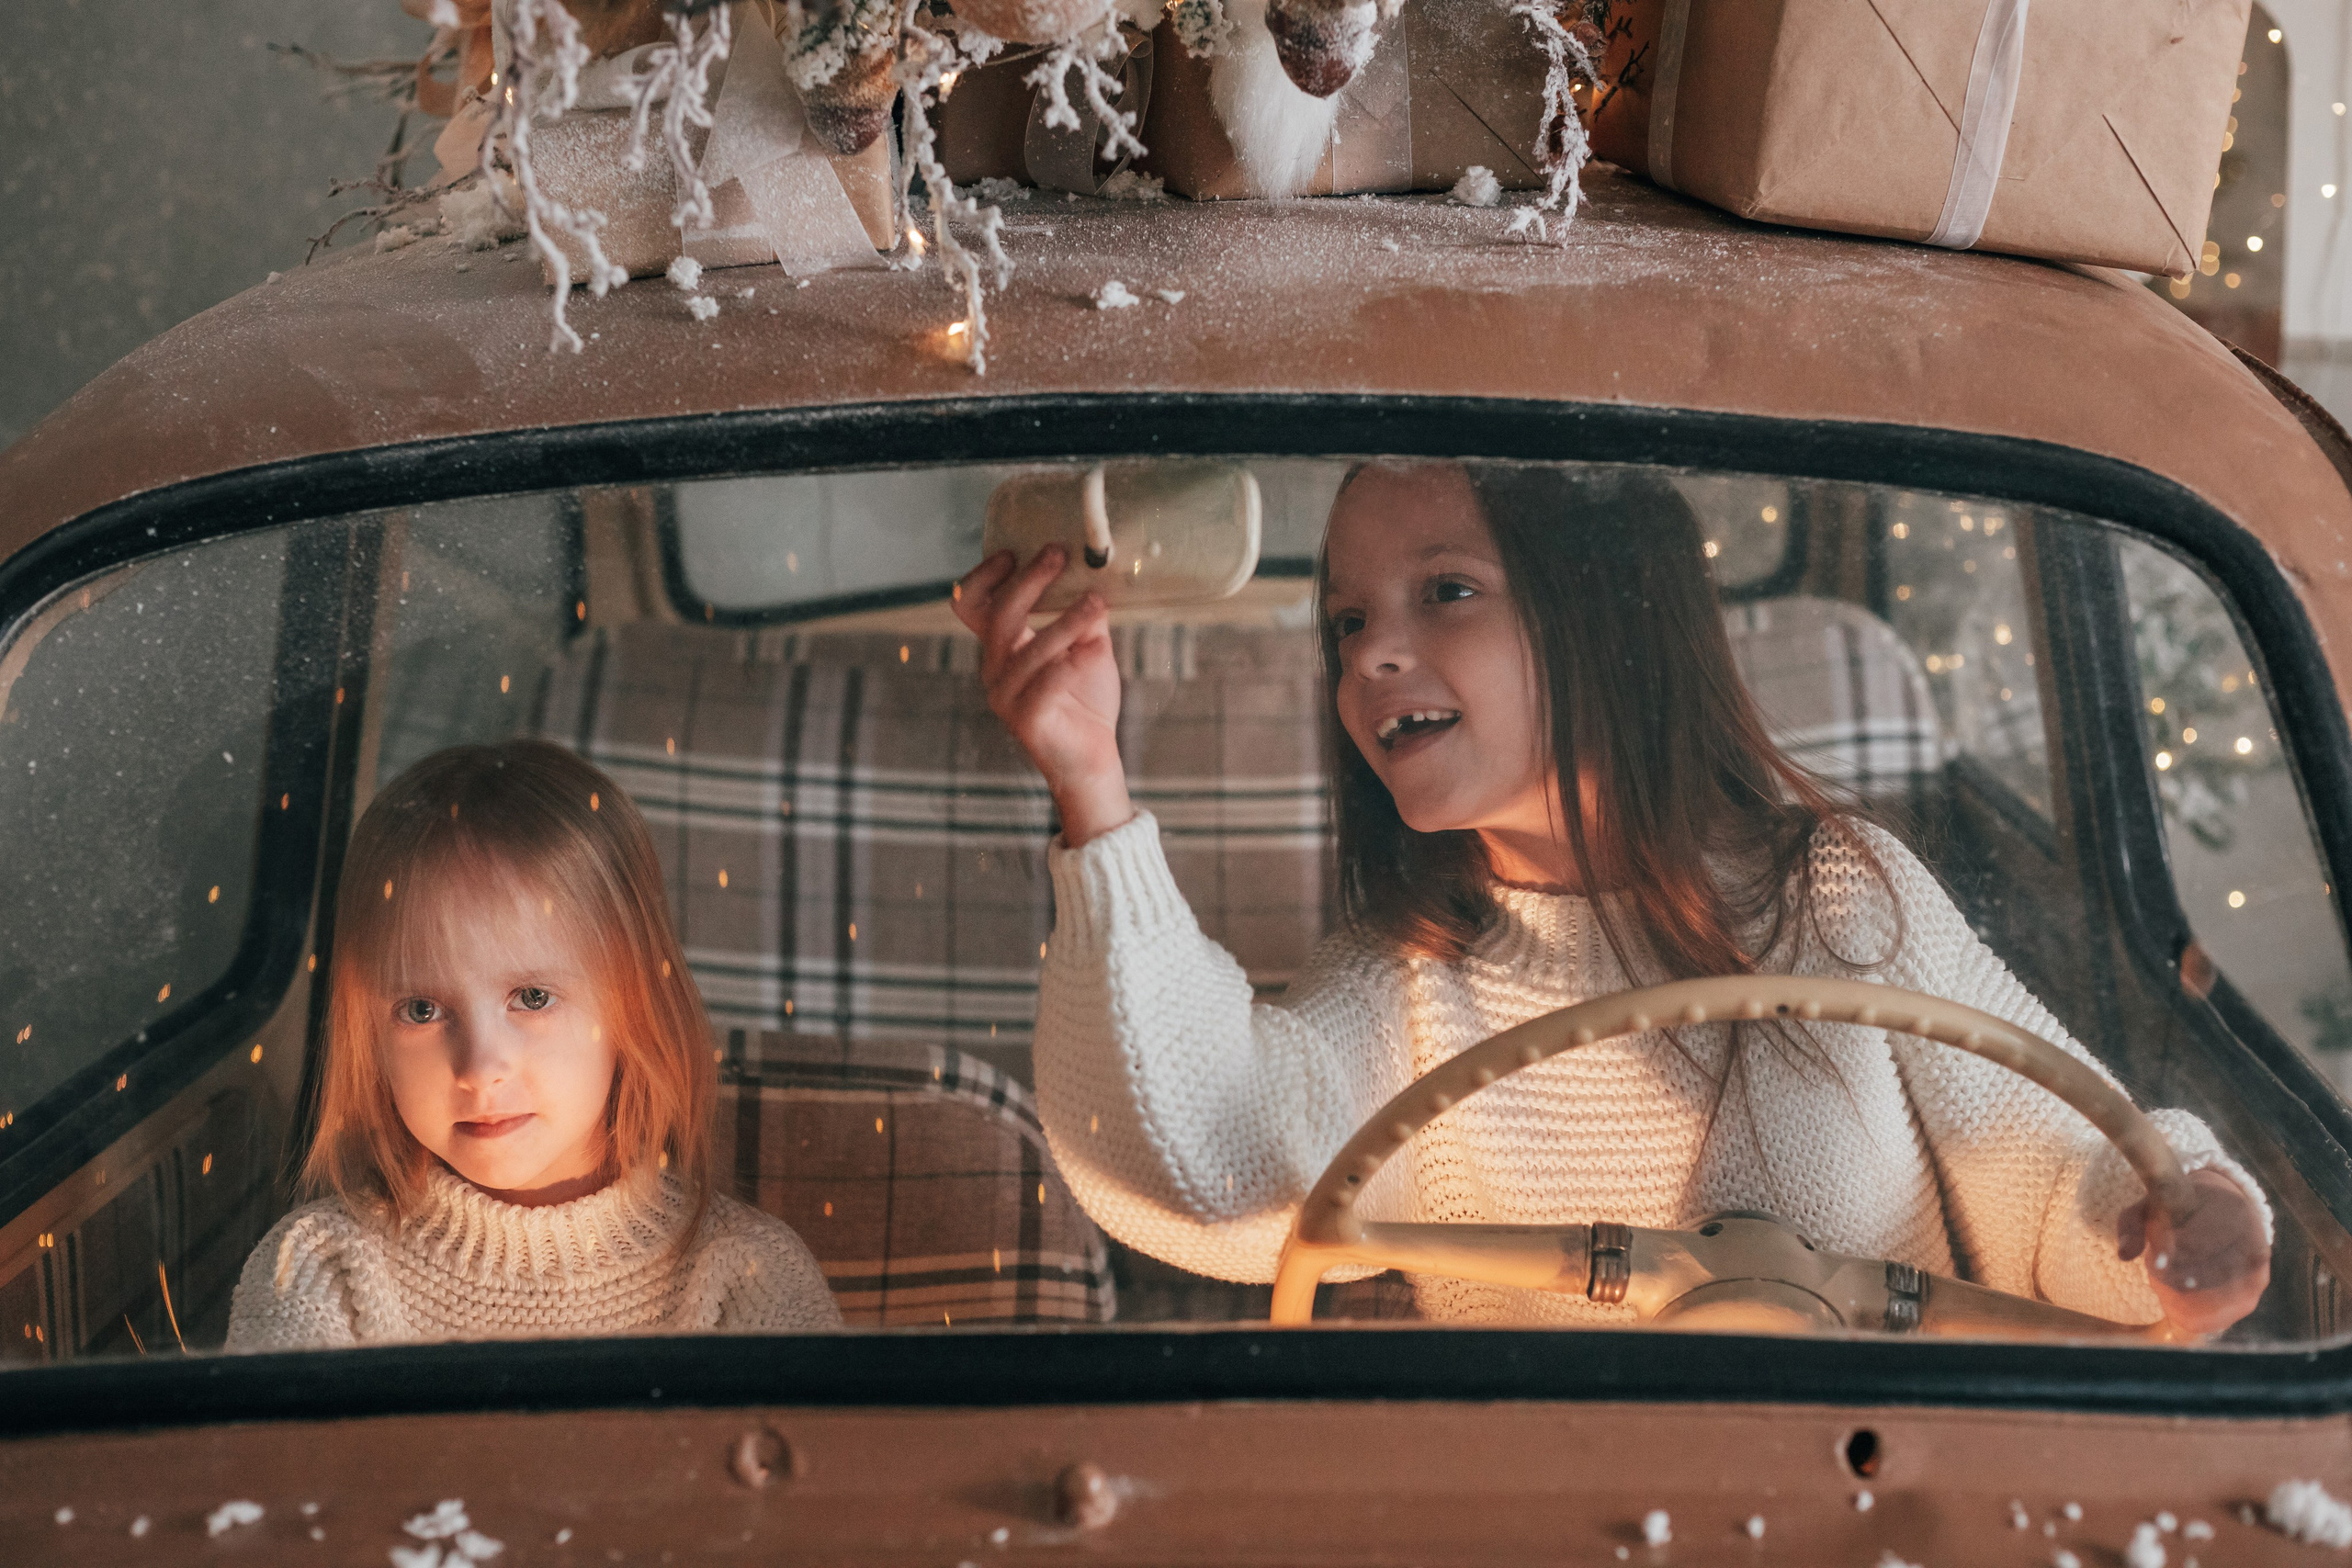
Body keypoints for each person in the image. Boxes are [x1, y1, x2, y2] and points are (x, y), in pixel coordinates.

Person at [953, 459, 2274, 1335]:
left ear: (1605, 610)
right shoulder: (1407, 974)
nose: (1375, 654)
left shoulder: (1836, 890)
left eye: (1445, 591)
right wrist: (1091, 784)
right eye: (1348, 621)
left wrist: (2171, 1208)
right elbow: (1218, 1168)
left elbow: (2052, 1169)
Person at [228, 739, 839, 1349]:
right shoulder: (319, 1269)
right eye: (421, 1009)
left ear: (633, 1007)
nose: (481, 1068)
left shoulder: (747, 1274)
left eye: (532, 997)